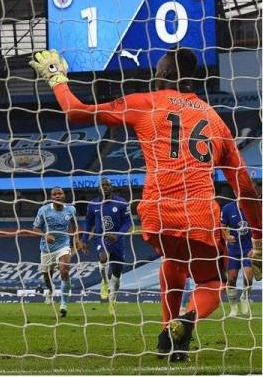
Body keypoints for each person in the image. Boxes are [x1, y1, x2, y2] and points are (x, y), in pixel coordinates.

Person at [30, 48, 261, 361]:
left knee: (173, 261)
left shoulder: (145, 103)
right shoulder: (216, 121)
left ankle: (168, 335)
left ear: (163, 76)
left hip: (157, 215)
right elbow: (245, 187)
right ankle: (186, 320)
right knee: (210, 282)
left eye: (158, 70)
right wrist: (259, 237)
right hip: (200, 215)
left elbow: (76, 111)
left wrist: (57, 77)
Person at [32, 187, 82, 317]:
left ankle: (64, 304)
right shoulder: (44, 210)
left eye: (60, 193)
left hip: (63, 245)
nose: (57, 196)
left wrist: (76, 238)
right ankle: (50, 289)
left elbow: (75, 225)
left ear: (64, 195)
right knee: (47, 278)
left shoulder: (71, 209)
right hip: (46, 249)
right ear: (51, 197)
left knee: (64, 270)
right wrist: (45, 236)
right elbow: (35, 228)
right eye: (55, 194)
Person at [84, 178, 131, 315]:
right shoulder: (93, 204)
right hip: (101, 238)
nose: (105, 187)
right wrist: (84, 239)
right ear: (99, 188)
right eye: (102, 185)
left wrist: (118, 235)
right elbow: (88, 222)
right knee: (103, 258)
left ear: (112, 187)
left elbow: (128, 222)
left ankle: (112, 300)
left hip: (117, 241)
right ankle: (104, 282)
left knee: (116, 275)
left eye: (107, 185)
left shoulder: (121, 202)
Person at [221, 197, 255, 317]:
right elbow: (222, 227)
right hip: (234, 249)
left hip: (249, 248)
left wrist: (256, 247)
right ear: (235, 192)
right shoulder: (227, 208)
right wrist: (227, 237)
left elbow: (259, 228)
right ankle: (233, 307)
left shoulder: (254, 207)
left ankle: (244, 297)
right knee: (232, 278)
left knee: (248, 277)